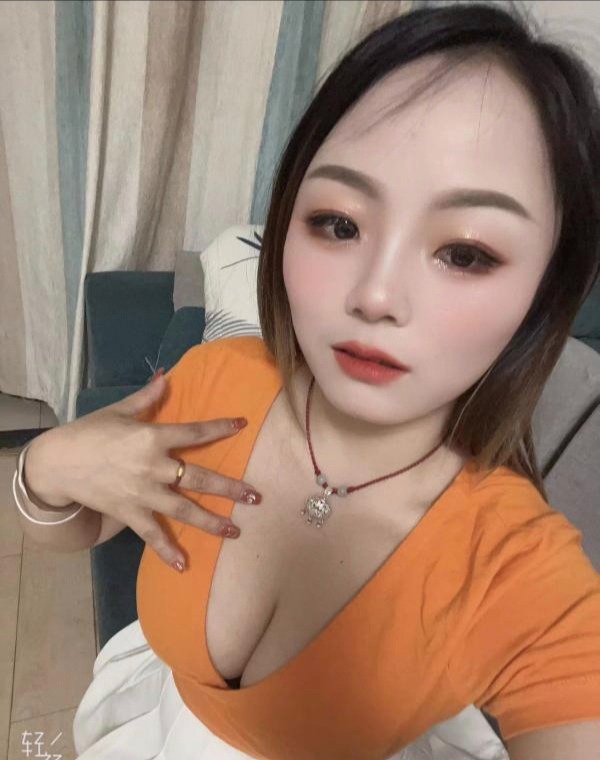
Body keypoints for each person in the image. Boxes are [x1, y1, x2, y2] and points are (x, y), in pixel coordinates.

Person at [12, 2, 600, 759]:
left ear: (543, 294)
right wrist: (46, 467)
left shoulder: (516, 568)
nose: (375, 296)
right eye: (339, 223)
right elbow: (82, 525)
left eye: (465, 253)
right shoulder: (215, 383)